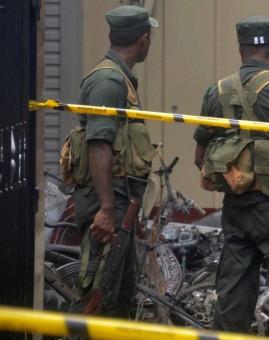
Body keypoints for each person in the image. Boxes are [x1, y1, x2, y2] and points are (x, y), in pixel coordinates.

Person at [193, 16, 269, 339]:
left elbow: (199, 158)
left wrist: (236, 178)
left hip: (235, 209)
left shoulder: (214, 92)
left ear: (240, 49)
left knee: (232, 293)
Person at [68, 5, 158, 321]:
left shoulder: (120, 78)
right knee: (96, 292)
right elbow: (98, 145)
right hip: (107, 205)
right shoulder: (109, 81)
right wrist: (106, 210)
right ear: (144, 39)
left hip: (121, 204)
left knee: (119, 294)